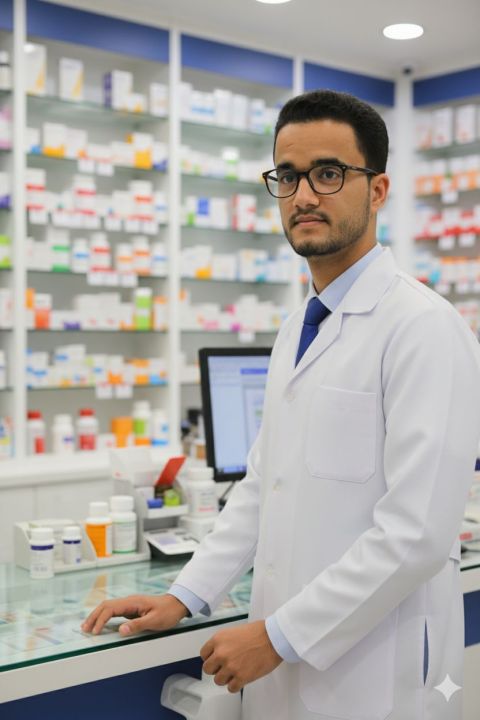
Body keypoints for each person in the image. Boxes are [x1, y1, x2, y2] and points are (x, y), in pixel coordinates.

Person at [82, 90, 480, 720]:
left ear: (378, 190)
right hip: (285, 664)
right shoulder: (299, 327)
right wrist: (186, 594)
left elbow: (418, 534)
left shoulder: (423, 327)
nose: (303, 196)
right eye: (288, 176)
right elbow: (264, 487)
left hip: (377, 675)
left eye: (329, 173)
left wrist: (278, 636)